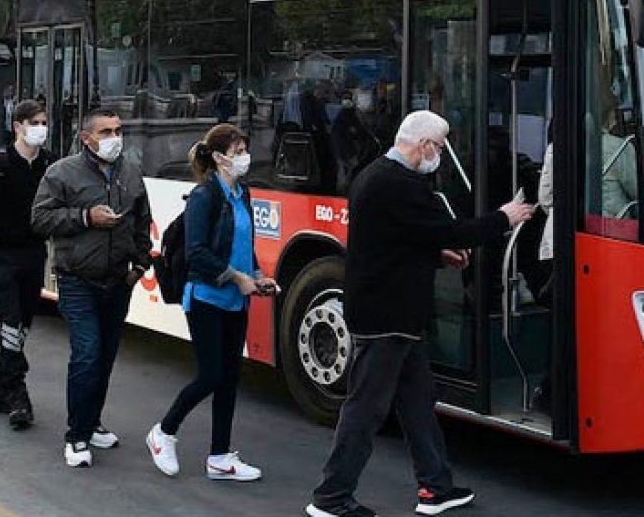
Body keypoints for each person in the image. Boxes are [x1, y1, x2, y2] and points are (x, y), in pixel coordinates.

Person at [306, 111, 534, 517]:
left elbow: (398, 239)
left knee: (417, 403)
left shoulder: (374, 175)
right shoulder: (400, 185)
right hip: (388, 317)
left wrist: (437, 254)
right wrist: (504, 218)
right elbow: (449, 231)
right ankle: (331, 496)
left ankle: (435, 487)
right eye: (441, 147)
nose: (441, 155)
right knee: (365, 409)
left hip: (392, 316)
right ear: (425, 145)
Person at [145, 124, 278, 482]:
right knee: (210, 375)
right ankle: (163, 432)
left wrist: (257, 275)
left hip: (236, 300)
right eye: (238, 152)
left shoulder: (243, 193)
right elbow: (197, 253)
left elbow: (244, 243)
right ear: (219, 158)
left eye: (245, 150)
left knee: (230, 377)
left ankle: (220, 456)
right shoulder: (204, 196)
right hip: (206, 296)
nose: (245, 158)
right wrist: (236, 277)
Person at [31, 108, 153, 468]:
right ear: (86, 139)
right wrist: (86, 217)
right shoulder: (61, 173)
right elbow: (40, 219)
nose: (115, 138)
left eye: (118, 130)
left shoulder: (130, 172)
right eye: (105, 132)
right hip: (77, 279)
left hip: (117, 280)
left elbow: (142, 221)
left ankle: (92, 421)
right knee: (87, 354)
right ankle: (77, 436)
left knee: (105, 356)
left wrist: (140, 266)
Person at [0, 100, 56, 430]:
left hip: (34, 255)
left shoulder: (51, 165)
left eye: (44, 122)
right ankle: (18, 394)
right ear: (17, 126)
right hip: (2, 257)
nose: (40, 128)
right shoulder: (0, 162)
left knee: (22, 326)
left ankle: (1, 383)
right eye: (34, 122)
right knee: (11, 321)